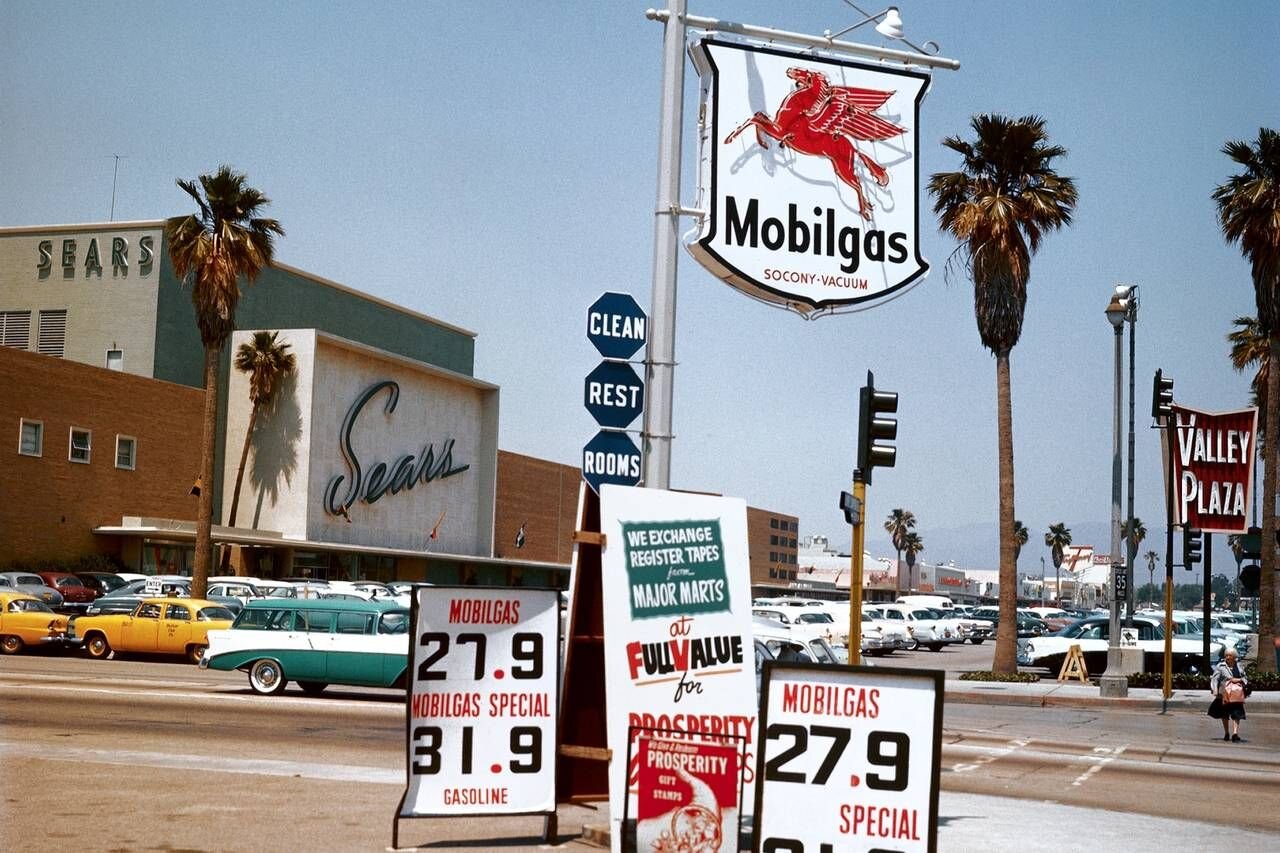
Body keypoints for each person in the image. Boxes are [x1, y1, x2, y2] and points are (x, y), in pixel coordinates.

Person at [1208, 647, 1249, 742]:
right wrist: (1215, 691)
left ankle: (1235, 733)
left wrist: (1240, 680)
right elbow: (1215, 679)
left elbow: (1245, 678)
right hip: (1224, 694)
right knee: (1224, 714)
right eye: (1226, 655)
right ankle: (1226, 733)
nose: (1227, 657)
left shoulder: (1239, 666)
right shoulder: (1221, 666)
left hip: (1236, 694)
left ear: (1234, 656)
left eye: (1230, 655)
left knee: (1237, 714)